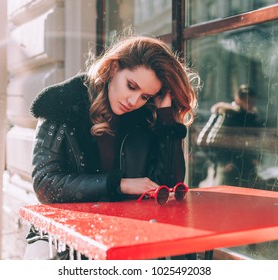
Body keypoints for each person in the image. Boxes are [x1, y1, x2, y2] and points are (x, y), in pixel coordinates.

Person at [24, 34, 200, 259]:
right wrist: (120, 184)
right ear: (114, 67)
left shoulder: (143, 118)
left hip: (122, 230)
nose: (133, 101)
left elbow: (166, 185)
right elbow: (45, 185)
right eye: (131, 86)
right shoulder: (62, 105)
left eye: (145, 96)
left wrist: (166, 118)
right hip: (62, 235)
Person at [197, 84, 261, 187]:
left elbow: (255, 142)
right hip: (230, 172)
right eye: (248, 101)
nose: (251, 105)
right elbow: (204, 140)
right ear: (238, 100)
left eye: (253, 102)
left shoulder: (250, 117)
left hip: (244, 170)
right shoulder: (228, 115)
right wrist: (223, 162)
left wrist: (255, 158)